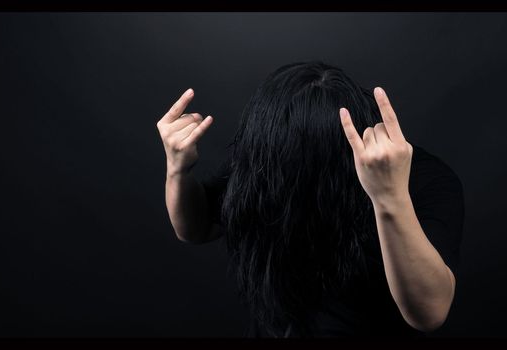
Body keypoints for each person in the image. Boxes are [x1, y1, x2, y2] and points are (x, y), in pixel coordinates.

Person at [155, 62, 464, 337]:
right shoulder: (266, 161)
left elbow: (430, 313)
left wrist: (389, 197)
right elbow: (195, 230)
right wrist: (178, 170)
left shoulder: (424, 179)